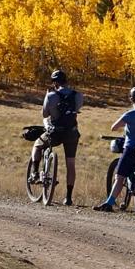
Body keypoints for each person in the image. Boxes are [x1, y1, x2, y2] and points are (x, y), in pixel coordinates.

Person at [95, 85, 135, 211]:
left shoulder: (130, 114)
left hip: (131, 148)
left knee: (119, 177)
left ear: (131, 99)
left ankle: (109, 203)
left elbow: (113, 127)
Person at [41, 68, 82, 204]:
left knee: (38, 144)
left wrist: (47, 97)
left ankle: (36, 173)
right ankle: (69, 197)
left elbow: (45, 115)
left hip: (55, 133)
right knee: (71, 164)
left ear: (54, 83)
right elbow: (77, 110)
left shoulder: (51, 95)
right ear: (66, 81)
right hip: (71, 132)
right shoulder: (77, 95)